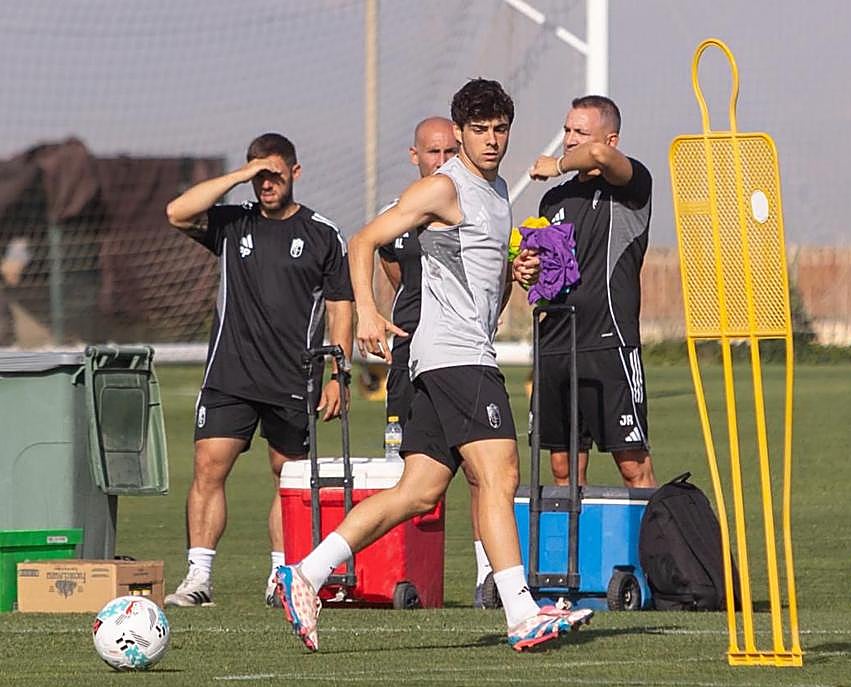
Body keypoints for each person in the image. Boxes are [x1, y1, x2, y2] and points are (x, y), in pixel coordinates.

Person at [273, 78, 593, 652]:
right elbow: (364, 241)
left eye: (500, 130)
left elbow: (481, 284)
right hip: (454, 359)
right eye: (480, 130)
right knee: (500, 475)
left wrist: (512, 277)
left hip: (451, 355)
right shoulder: (445, 189)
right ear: (461, 132)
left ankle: (307, 574)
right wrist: (368, 312)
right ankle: (521, 613)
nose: (492, 140)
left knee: (417, 493)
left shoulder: (496, 194)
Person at [163, 132, 354, 607]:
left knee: (287, 478)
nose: (266, 183)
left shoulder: (322, 234)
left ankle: (280, 577)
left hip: (294, 376)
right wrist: (242, 174)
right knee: (209, 467)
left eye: (274, 173)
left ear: (295, 173)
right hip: (231, 373)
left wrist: (338, 373)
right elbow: (176, 212)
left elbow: (340, 308)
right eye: (259, 175)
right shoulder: (230, 222)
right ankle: (199, 578)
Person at [376, 116, 494, 607]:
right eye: (432, 152)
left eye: (449, 151)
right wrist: (378, 319)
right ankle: (398, 572)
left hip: (460, 356)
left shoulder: (471, 202)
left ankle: (489, 575)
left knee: (481, 468)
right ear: (414, 155)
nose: (441, 160)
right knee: (405, 469)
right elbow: (390, 269)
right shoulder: (396, 215)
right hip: (410, 356)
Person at [526, 95, 656, 489]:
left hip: (608, 344)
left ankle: (651, 550)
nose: (568, 140)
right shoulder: (555, 199)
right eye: (566, 130)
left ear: (611, 140)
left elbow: (597, 157)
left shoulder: (631, 185)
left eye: (579, 132)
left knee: (634, 467)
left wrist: (559, 165)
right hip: (555, 346)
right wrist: (526, 270)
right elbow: (548, 272)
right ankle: (570, 552)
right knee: (563, 469)